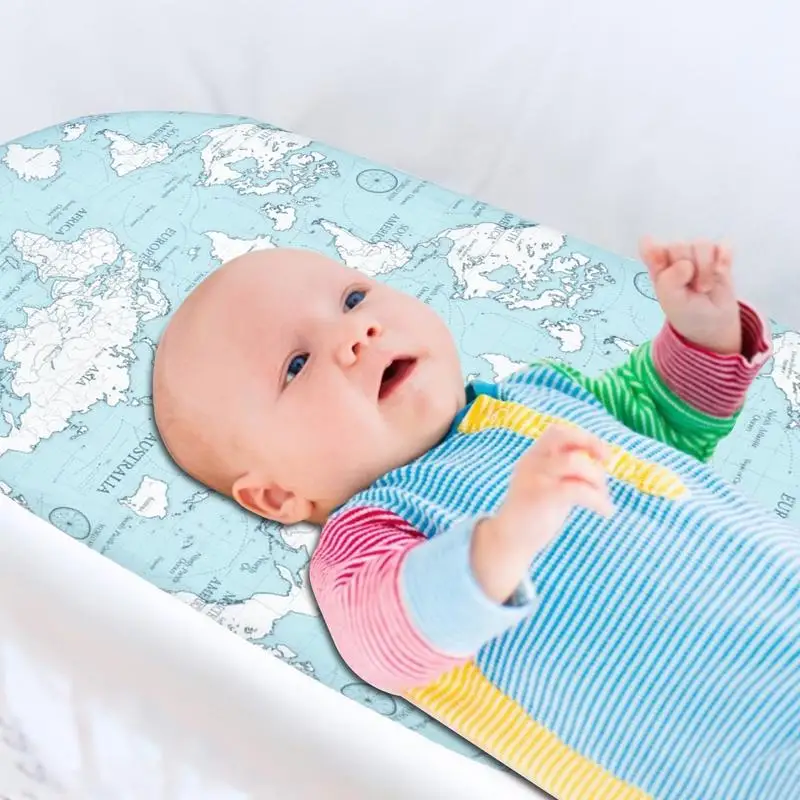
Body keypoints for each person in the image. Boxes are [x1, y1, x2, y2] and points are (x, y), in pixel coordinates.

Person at [152, 239, 799, 800]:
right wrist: (508, 536)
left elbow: (663, 420)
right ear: (275, 497)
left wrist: (701, 333)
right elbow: (393, 637)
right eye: (296, 366)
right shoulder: (363, 545)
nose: (356, 334)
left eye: (352, 299)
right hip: (725, 761)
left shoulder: (539, 395)